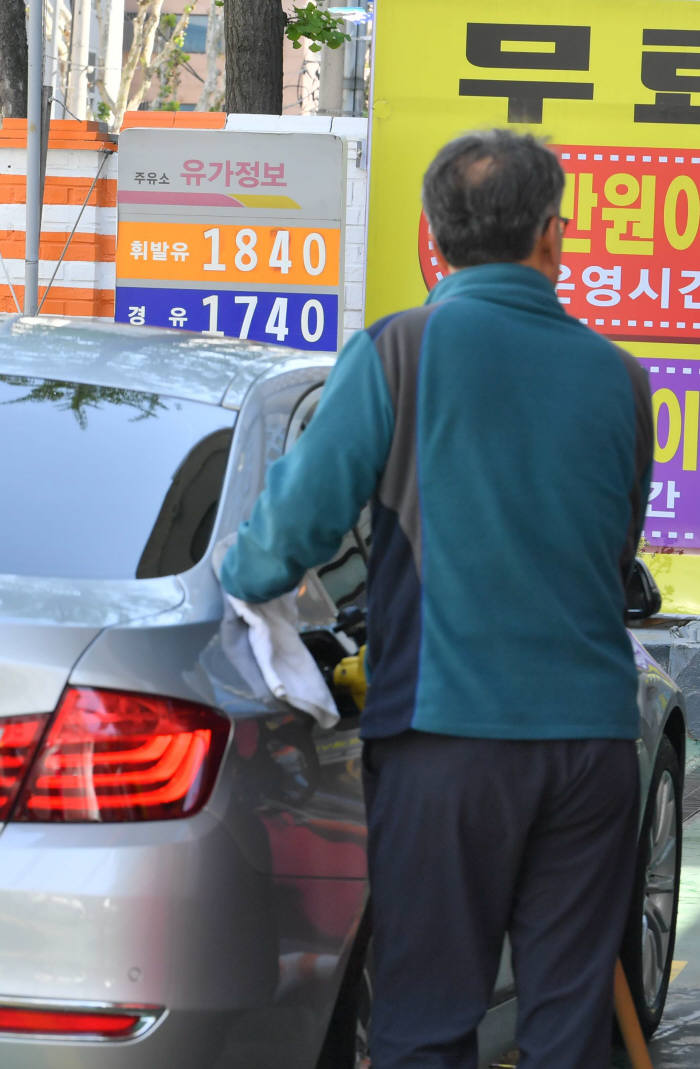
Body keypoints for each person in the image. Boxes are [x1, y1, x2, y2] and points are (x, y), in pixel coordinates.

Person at [220, 129, 653, 1069]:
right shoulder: (622, 380)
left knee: (427, 1021)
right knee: (568, 1034)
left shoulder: (399, 351)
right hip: (591, 748)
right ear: (552, 237)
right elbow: (611, 557)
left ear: (432, 238)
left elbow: (288, 530)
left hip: (447, 742)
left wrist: (244, 582)